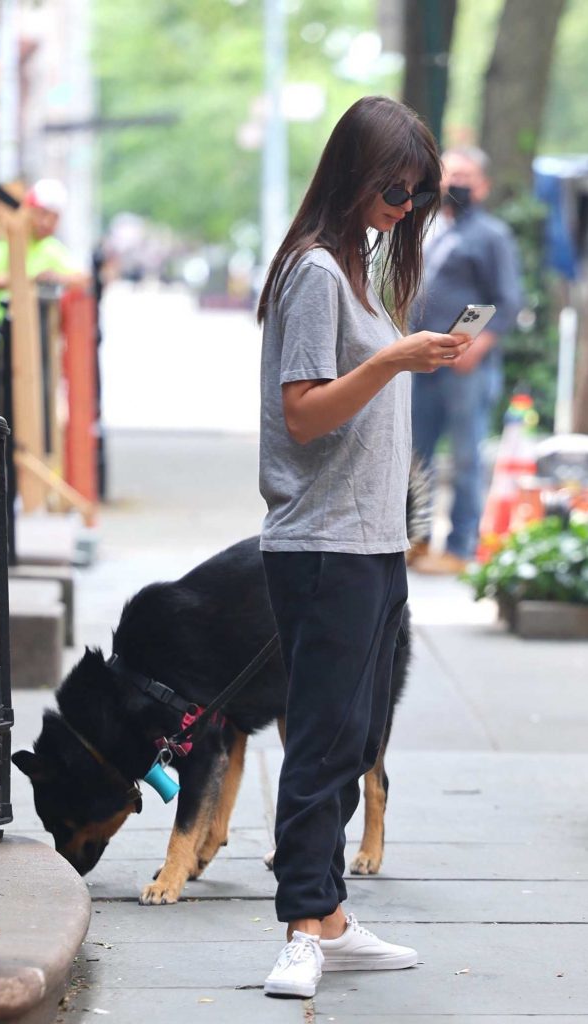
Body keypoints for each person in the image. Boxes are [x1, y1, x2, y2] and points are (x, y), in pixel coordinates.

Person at [257, 95, 471, 1000]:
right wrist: (390, 361)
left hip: (371, 544)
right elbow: (303, 415)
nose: (401, 207)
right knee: (318, 741)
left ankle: (331, 918)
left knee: (349, 741)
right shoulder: (312, 273)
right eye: (392, 187)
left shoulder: (355, 275)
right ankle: (302, 929)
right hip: (323, 546)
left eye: (416, 196)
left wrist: (403, 353)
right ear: (353, 174)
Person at [409, 147, 523, 573]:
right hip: (424, 363)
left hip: (466, 366)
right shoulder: (428, 229)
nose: (456, 183)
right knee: (417, 454)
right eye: (450, 174)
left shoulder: (492, 235)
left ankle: (460, 547)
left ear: (483, 185)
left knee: (464, 456)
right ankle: (417, 542)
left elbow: (508, 300)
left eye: (466, 176)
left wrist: (476, 344)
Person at [0, 178, 90, 313]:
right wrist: (30, 280)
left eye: (54, 217)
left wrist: (54, 278)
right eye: (43, 213)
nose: (47, 223)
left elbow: (84, 279)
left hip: (21, 331)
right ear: (28, 210)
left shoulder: (50, 248)